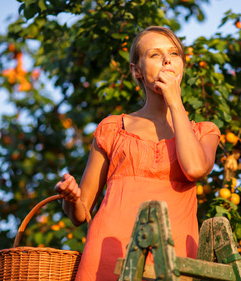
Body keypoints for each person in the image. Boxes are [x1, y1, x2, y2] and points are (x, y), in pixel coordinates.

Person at [54, 26, 221, 280]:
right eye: (155, 54)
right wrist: (71, 197)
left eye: (174, 54)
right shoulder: (112, 128)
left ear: (182, 66)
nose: (166, 60)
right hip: (108, 257)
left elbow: (195, 168)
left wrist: (175, 101)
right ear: (137, 71)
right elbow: (80, 214)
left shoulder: (204, 132)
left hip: (174, 264)